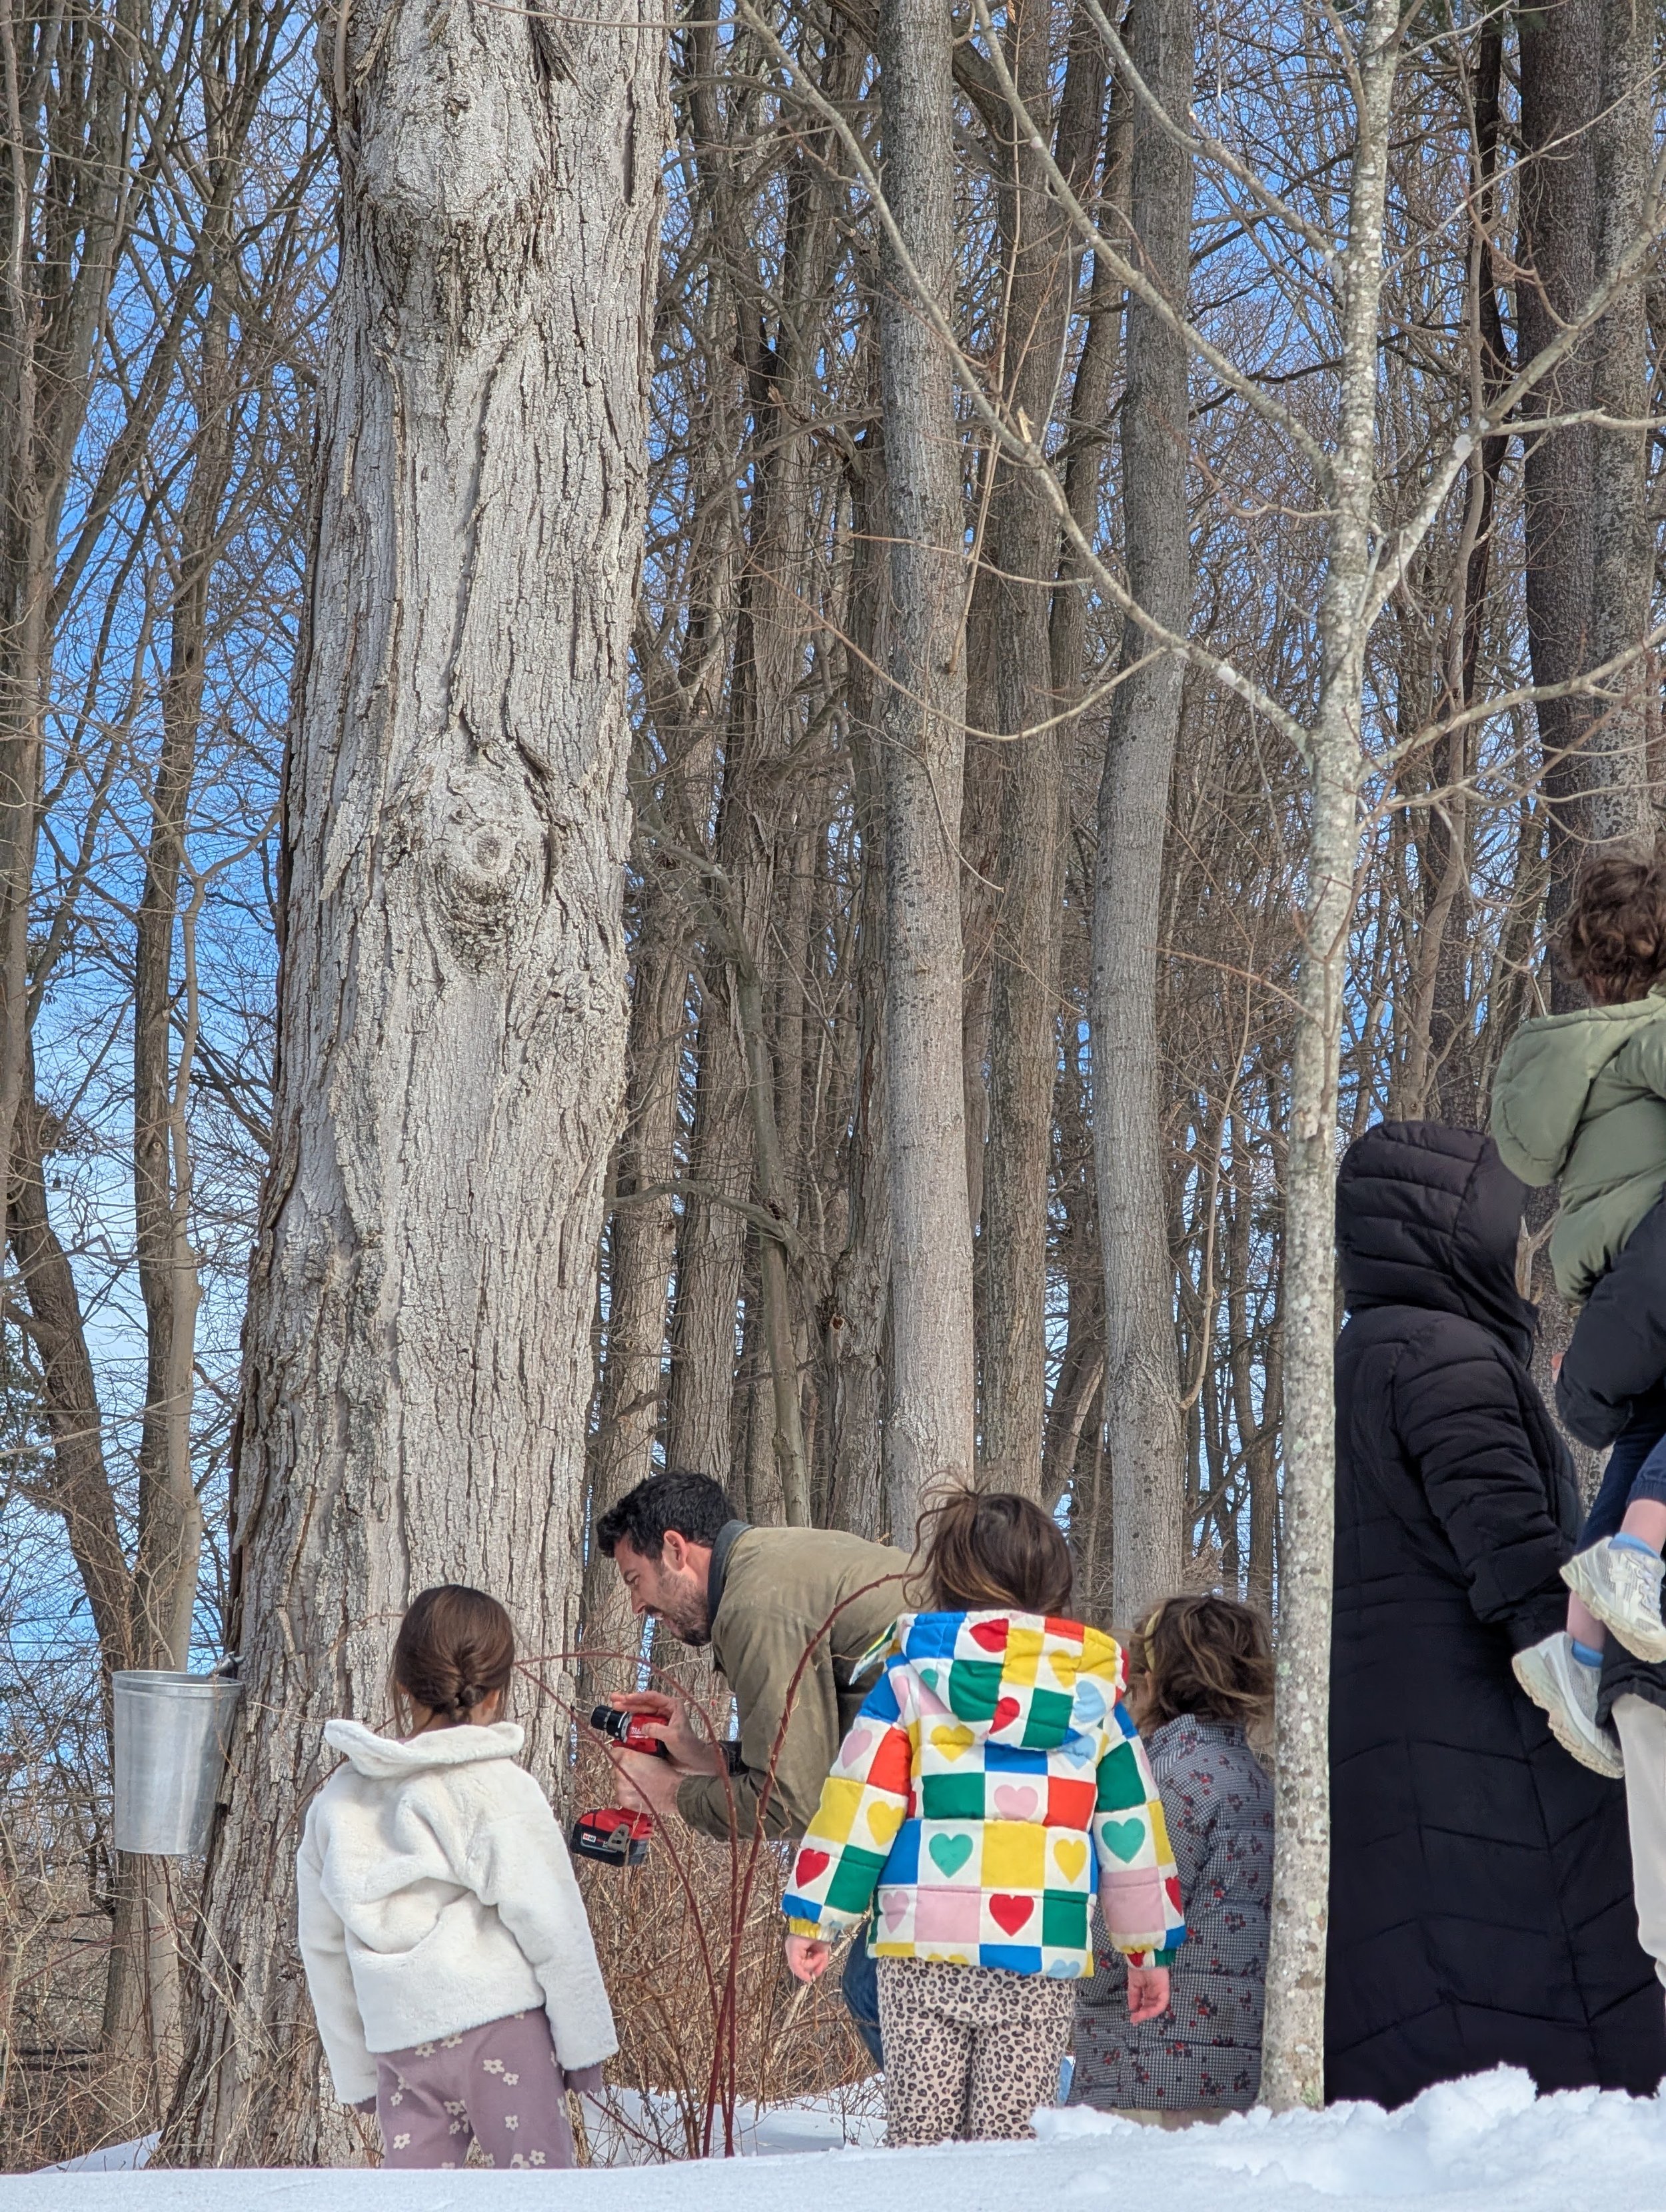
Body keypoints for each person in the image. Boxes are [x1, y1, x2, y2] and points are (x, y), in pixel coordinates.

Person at [1327, 1119, 1665, 2106]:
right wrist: (1584, 1667)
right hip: (1485, 1726)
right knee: (1559, 1952)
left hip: (1398, 1722)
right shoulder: (1446, 1359)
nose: (1514, 1249)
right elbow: (1515, 1560)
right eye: (1501, 1224)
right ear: (1452, 1231)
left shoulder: (1371, 1349)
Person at [777, 1490, 1184, 2147]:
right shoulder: (1093, 1698)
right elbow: (1132, 1831)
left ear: (948, 1578)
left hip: (922, 1948)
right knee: (1004, 2144)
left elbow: (859, 1805)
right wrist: (1147, 1947)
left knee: (921, 2139)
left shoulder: (910, 1680)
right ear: (1054, 1583)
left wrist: (818, 1914)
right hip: (1038, 1953)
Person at [296, 1584, 616, 2170]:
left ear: (400, 1681)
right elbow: (552, 1919)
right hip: (502, 2027)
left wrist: (357, 2073)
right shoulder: (496, 1787)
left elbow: (321, 1949)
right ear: (495, 1694)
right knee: (539, 2196)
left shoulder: (338, 1803)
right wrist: (583, 2043)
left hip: (400, 2043)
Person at [595, 1469, 906, 2059]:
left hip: (975, 1785)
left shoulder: (754, 1606)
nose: (638, 1606)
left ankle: (956, 2151)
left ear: (675, 1549)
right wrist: (701, 1757)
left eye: (636, 1581)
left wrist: (668, 1795)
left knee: (875, 1992)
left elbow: (793, 1800)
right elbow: (824, 1757)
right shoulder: (774, 1567)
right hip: (982, 1775)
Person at [1492, 839, 1666, 1770]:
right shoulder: (1654, 1036)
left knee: (1641, 1441)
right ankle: (1639, 1558)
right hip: (1657, 1258)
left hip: (1607, 1290)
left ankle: (1580, 1648)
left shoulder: (1575, 1055)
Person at [1070, 1592, 1272, 2123]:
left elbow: (1112, 1943)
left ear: (1156, 1677)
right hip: (1235, 2078)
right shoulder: (1259, 1780)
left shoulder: (1166, 1782)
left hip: (1144, 2074)